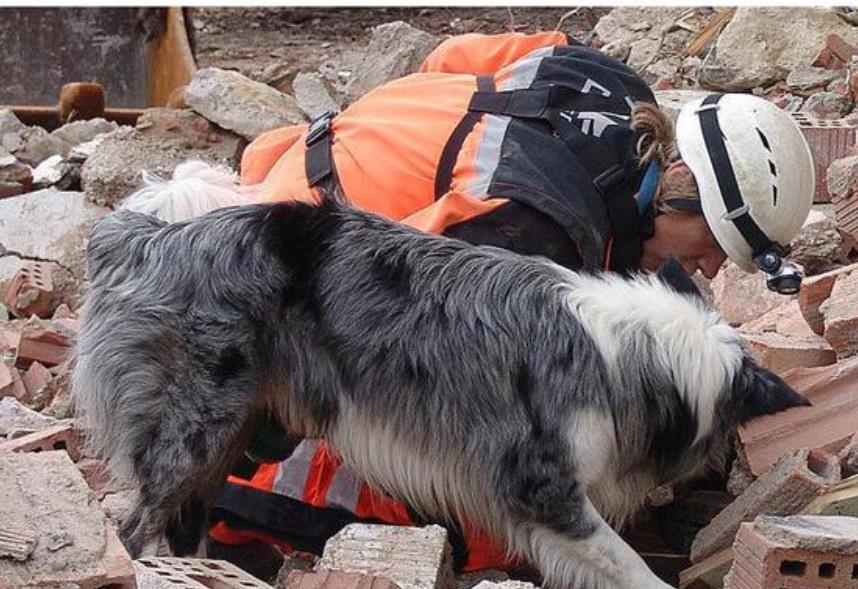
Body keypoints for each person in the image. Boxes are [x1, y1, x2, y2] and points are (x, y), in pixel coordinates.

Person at [124, 31, 815, 572]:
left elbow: (450, 57)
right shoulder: (528, 230)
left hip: (304, 161)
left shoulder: (600, 78)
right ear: (682, 183)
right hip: (284, 280)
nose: (707, 268)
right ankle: (247, 509)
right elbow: (381, 330)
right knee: (484, 527)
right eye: (714, 243)